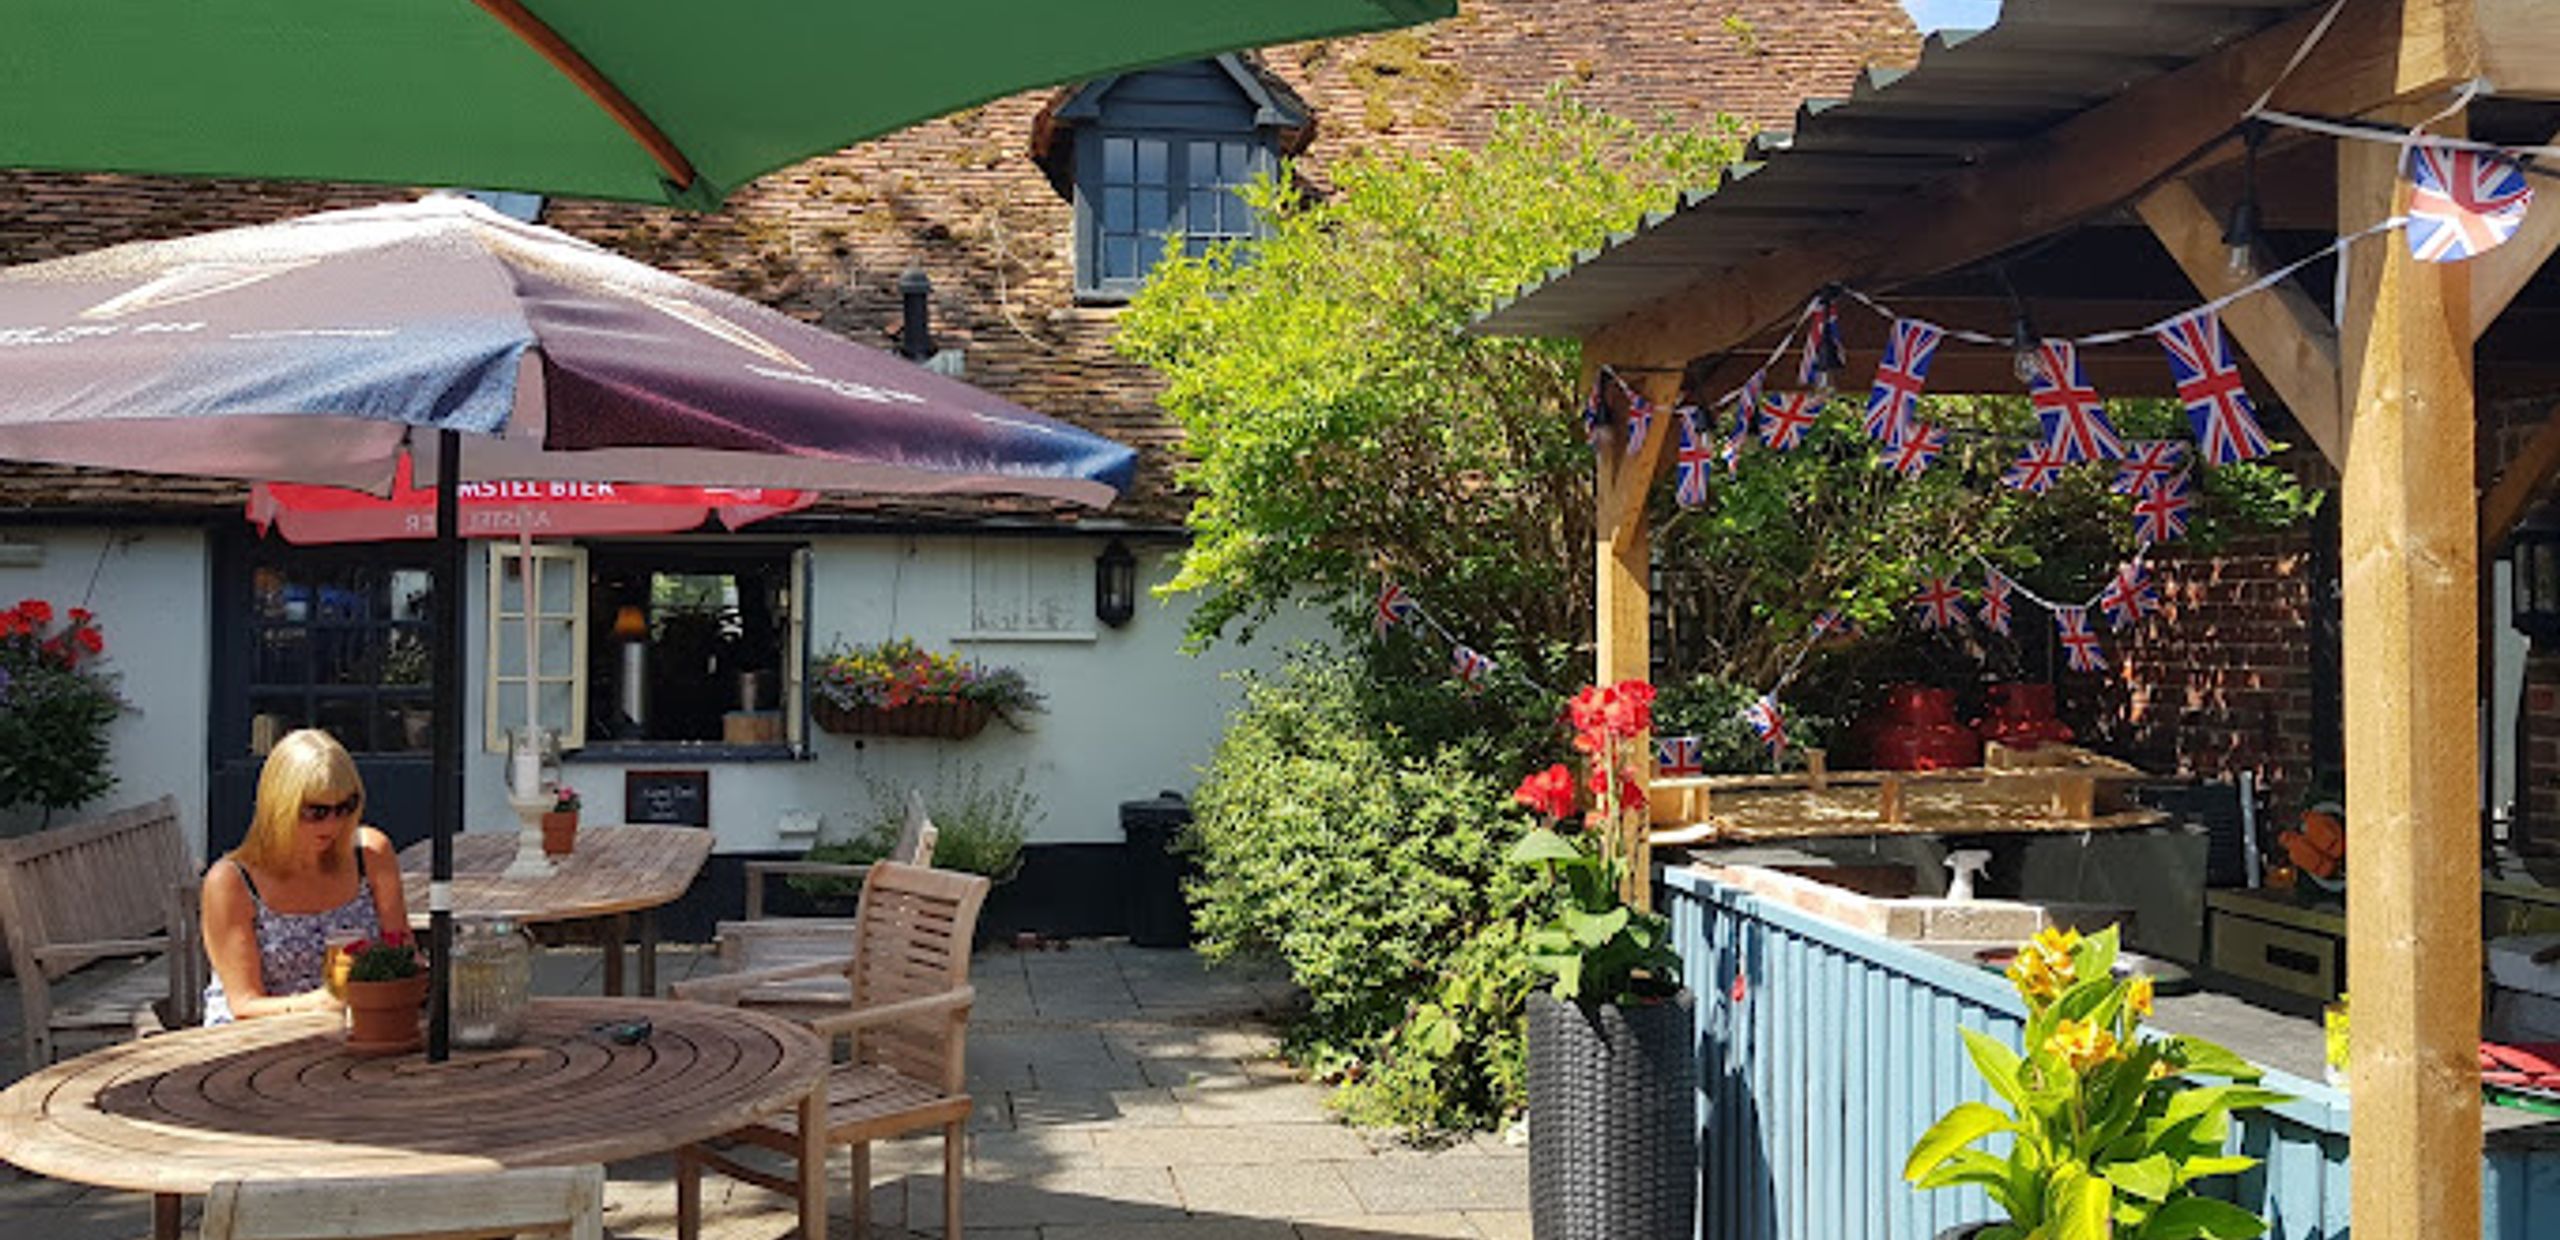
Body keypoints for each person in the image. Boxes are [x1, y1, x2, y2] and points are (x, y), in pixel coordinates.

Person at [201, 728, 411, 1023]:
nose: (333, 823)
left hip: (351, 1030)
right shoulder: (233, 881)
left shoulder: (370, 855)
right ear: (279, 807)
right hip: (252, 1041)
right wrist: (323, 1001)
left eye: (345, 807)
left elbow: (403, 956)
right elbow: (244, 1004)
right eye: (316, 811)